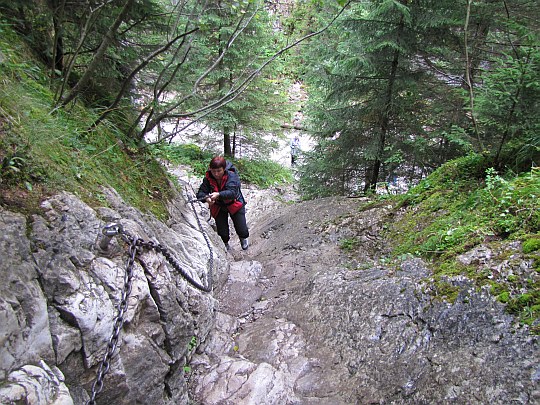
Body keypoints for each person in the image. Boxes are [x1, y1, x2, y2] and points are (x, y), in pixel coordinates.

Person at [197, 156, 249, 250]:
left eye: (219, 171)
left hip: (235, 203)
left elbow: (232, 193)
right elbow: (200, 193)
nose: (216, 174)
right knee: (222, 232)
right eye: (213, 171)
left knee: (242, 229)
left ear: (224, 169)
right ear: (210, 169)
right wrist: (206, 199)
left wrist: (218, 194)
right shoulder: (208, 179)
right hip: (219, 206)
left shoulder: (232, 176)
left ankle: (243, 238)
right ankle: (225, 244)